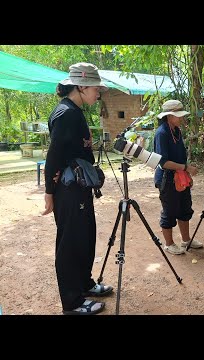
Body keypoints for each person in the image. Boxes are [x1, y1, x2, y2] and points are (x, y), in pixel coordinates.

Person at [41, 62, 113, 315]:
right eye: (96, 89)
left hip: (79, 186)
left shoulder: (75, 110)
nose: (98, 93)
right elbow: (53, 156)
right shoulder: (66, 114)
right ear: (81, 86)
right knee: (70, 242)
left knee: (85, 236)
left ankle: (84, 284)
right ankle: (72, 302)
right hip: (68, 190)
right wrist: (49, 192)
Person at [154, 99, 202, 255]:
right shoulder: (162, 133)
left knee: (184, 208)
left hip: (181, 177)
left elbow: (181, 156)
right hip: (167, 179)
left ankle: (186, 240)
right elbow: (163, 162)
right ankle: (169, 244)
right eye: (178, 115)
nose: (181, 118)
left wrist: (186, 174)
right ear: (169, 116)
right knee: (169, 211)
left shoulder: (176, 130)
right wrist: (186, 168)